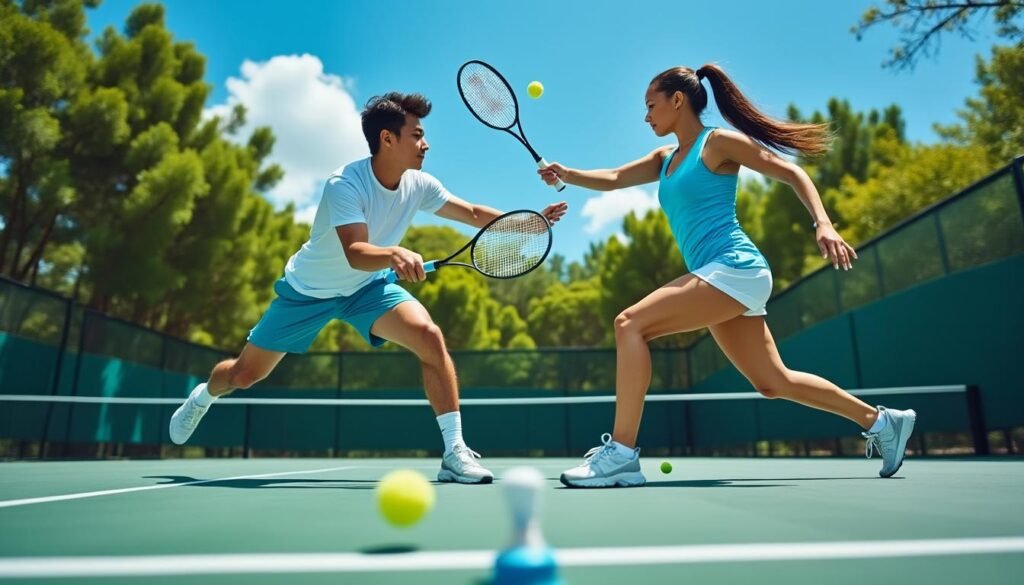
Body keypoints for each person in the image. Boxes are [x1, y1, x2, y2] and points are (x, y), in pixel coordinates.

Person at [539, 65, 915, 487]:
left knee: (630, 323)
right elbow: (612, 179)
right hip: (719, 277)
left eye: (651, 105)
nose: (646, 116)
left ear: (677, 100)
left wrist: (823, 224)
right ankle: (882, 422)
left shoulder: (716, 144)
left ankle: (622, 454)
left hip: (735, 267)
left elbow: (790, 171)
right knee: (773, 382)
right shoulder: (664, 160)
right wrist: (565, 175)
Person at [170, 92, 567, 484]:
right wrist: (394, 253)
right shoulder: (345, 184)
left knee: (429, 336)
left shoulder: (420, 184)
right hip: (308, 291)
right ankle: (203, 396)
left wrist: (530, 223)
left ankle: (454, 452)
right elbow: (356, 252)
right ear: (387, 139)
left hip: (368, 289)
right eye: (416, 134)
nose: (425, 143)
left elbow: (476, 214)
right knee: (243, 375)